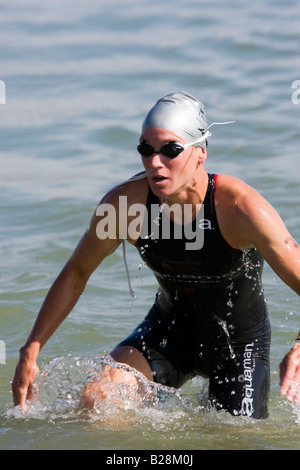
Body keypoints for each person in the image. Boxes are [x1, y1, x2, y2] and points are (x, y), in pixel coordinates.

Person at [12, 92, 300, 419]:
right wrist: (30, 351)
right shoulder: (126, 207)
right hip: (168, 332)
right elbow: (76, 273)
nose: (155, 162)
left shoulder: (240, 209)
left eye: (170, 150)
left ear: (200, 152)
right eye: (146, 150)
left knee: (237, 438)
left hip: (239, 346)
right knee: (99, 400)